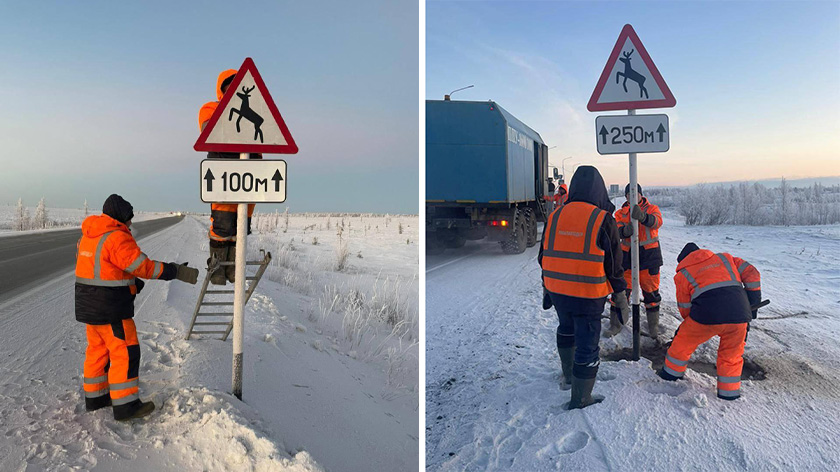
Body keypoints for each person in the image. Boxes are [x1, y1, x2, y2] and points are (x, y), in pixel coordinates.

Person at [75, 194, 199, 420]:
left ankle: (96, 397)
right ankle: (126, 406)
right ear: (121, 217)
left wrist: (130, 282)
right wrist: (175, 271)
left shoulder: (90, 235)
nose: (131, 222)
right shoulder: (116, 237)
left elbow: (101, 269)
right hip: (110, 308)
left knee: (97, 351)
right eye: (129, 218)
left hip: (88, 307)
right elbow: (144, 267)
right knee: (125, 352)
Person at [539, 166, 630, 409]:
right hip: (588, 295)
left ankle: (569, 376)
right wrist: (620, 296)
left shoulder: (554, 216)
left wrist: (546, 287)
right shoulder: (602, 219)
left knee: (566, 329)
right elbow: (614, 264)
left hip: (558, 291)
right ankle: (581, 398)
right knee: (588, 344)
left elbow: (543, 255)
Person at [657, 243, 762, 400]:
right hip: (739, 315)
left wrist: (692, 327)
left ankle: (670, 375)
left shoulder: (683, 273)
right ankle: (729, 394)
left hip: (705, 316)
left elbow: (685, 308)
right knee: (731, 355)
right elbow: (752, 273)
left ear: (683, 260)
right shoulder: (726, 259)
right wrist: (751, 305)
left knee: (682, 344)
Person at [198, 69, 261, 285]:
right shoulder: (210, 108)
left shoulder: (254, 109)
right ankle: (216, 269)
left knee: (242, 226)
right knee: (222, 226)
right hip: (223, 177)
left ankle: (234, 270)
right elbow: (209, 131)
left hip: (251, 178)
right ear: (222, 89)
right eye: (230, 86)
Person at [605, 184, 664, 337]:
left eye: (635, 194)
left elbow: (657, 222)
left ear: (640, 195)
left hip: (649, 258)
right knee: (621, 293)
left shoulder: (652, 209)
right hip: (626, 260)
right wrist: (624, 231)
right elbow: (615, 231)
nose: (631, 197)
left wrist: (644, 218)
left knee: (651, 294)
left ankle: (653, 327)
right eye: (628, 195)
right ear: (625, 197)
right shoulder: (620, 213)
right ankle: (615, 324)